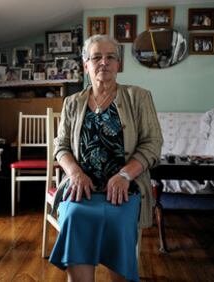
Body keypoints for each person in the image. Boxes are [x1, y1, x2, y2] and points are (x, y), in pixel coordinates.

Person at [49, 34, 163, 282]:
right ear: (86, 64)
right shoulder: (72, 103)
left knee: (119, 221)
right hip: (82, 188)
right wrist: (75, 173)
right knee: (74, 216)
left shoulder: (139, 97)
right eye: (96, 57)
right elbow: (61, 146)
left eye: (111, 57)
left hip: (125, 189)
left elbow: (153, 144)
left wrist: (124, 175)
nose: (104, 62)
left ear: (119, 65)